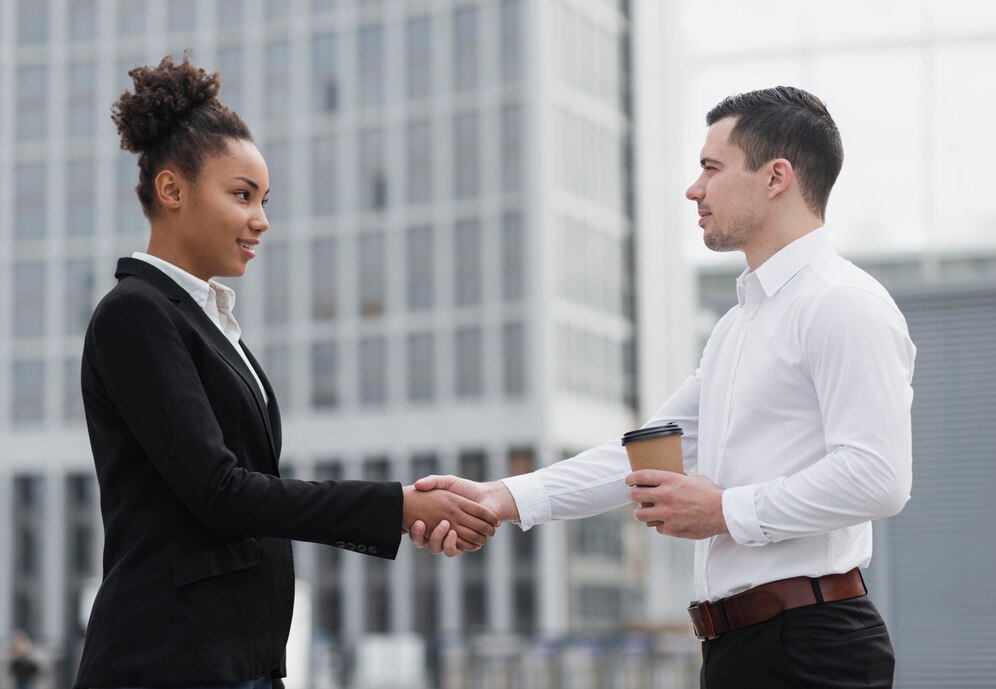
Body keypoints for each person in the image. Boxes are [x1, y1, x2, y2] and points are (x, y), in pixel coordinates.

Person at [410, 86, 915, 689]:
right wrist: (499, 498)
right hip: (737, 649)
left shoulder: (844, 305)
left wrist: (724, 509)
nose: (693, 189)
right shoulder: (736, 327)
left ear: (776, 176)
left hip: (813, 646)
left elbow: (878, 478)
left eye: (710, 168)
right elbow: (644, 455)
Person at [73, 54, 498, 689]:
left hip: (242, 662)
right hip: (165, 660)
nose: (262, 220)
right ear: (171, 190)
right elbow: (220, 492)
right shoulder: (134, 314)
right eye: (242, 196)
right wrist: (396, 504)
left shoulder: (211, 321)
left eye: (264, 200)